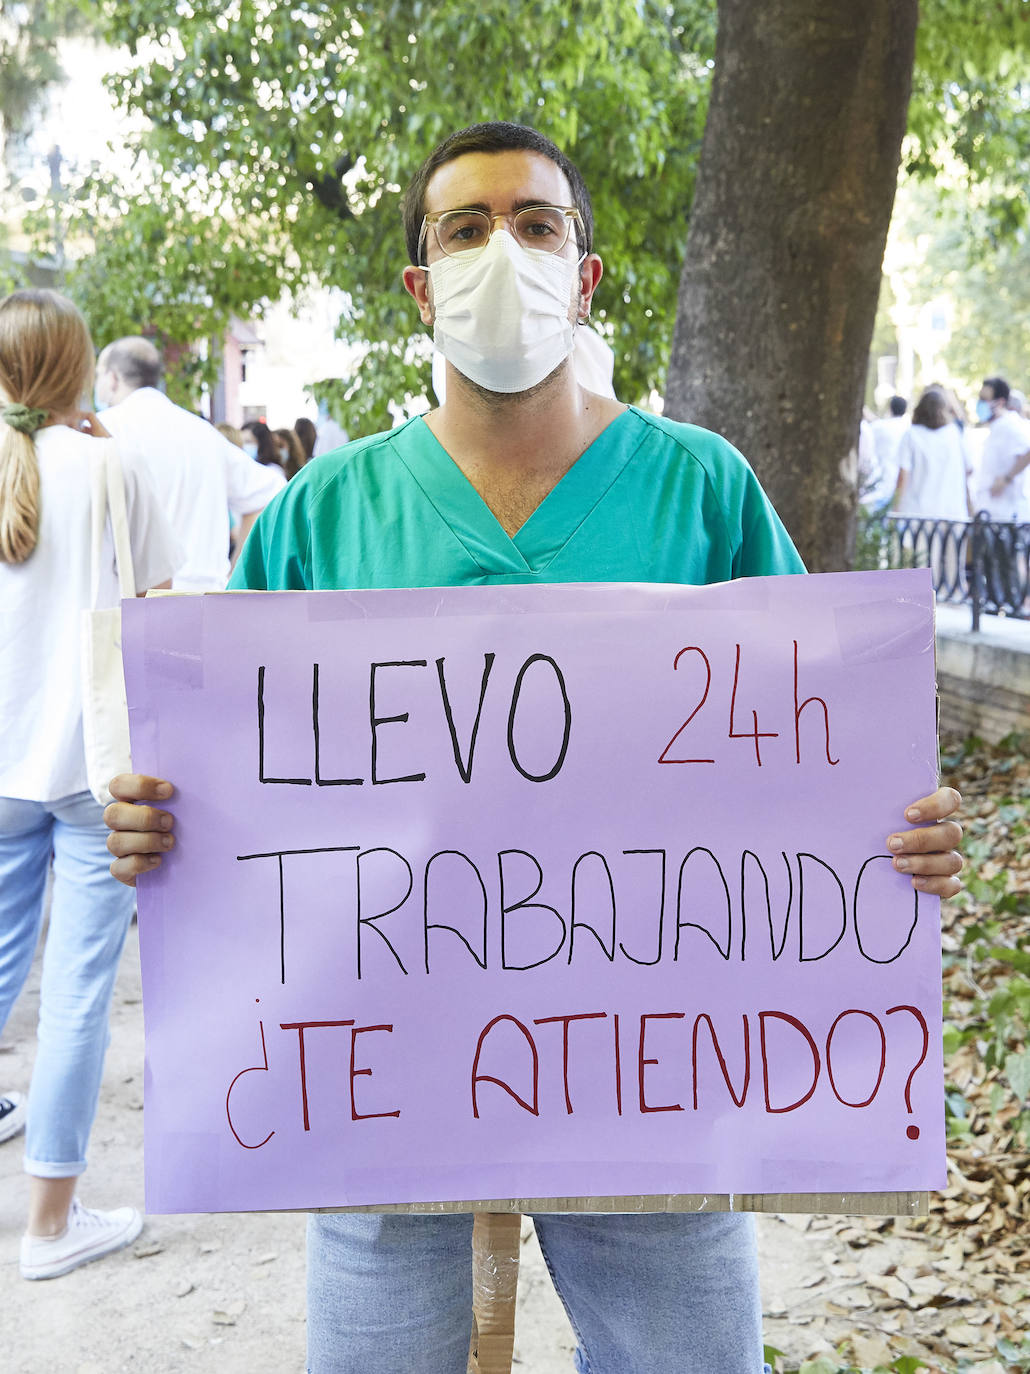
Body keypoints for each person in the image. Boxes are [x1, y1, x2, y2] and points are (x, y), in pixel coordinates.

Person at [104, 122, 965, 1374]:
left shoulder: (701, 489)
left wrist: (898, 836)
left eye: (535, 222)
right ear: (419, 285)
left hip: (655, 1096)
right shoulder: (319, 516)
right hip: (375, 1094)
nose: (501, 248)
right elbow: (224, 783)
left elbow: (817, 758)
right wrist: (154, 825)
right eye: (465, 227)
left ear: (586, 271)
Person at [0, 289, 177, 1279]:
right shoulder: (111, 463)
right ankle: (51, 1227)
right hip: (91, 768)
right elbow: (152, 599)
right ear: (78, 368)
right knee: (75, 994)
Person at [95, 339, 282, 590]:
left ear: (112, 379)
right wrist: (235, 579)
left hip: (134, 604)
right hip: (207, 599)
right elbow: (268, 492)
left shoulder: (104, 430)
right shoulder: (202, 432)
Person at [891, 387, 971, 521]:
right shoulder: (954, 434)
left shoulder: (911, 435)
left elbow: (903, 475)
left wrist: (895, 510)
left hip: (917, 514)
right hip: (952, 513)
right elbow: (969, 469)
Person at [973, 376, 1030, 522]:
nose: (980, 404)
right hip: (989, 512)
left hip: (1006, 514)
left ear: (1000, 402)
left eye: (985, 399)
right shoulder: (996, 427)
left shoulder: (1011, 425)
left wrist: (1007, 478)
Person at [862, 395, 909, 510]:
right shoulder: (909, 429)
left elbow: (869, 431)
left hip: (881, 483)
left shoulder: (880, 427)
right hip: (900, 486)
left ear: (890, 408)